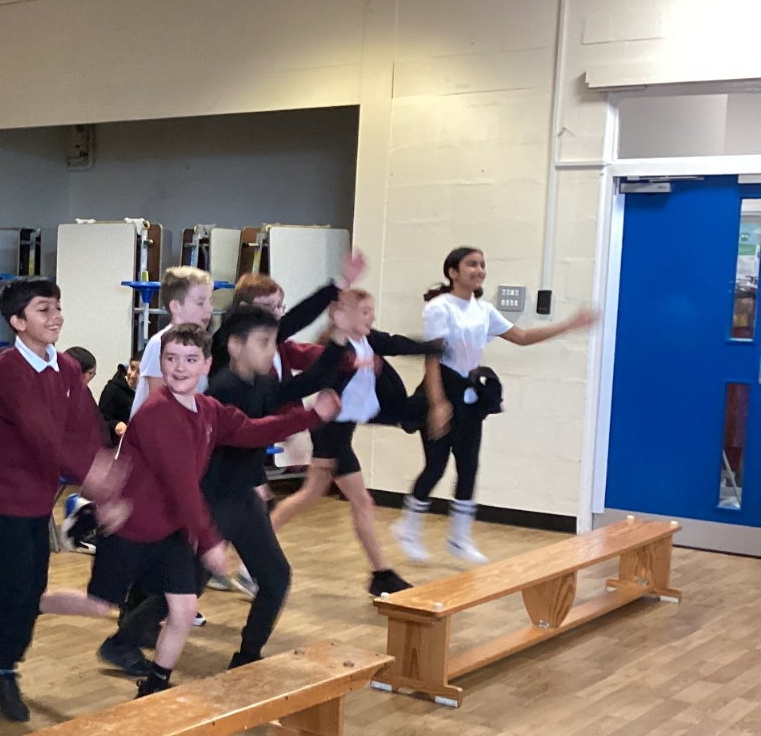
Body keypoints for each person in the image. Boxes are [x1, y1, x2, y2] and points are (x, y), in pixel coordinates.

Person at [41, 325, 337, 695]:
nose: (180, 367)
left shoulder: (207, 409)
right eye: (171, 359)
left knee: (183, 610)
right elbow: (182, 486)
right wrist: (210, 541)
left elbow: (253, 430)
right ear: (161, 363)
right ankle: (29, 602)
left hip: (168, 534)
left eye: (190, 359)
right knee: (97, 606)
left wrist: (312, 416)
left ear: (206, 365)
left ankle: (154, 685)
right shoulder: (157, 414)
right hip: (130, 530)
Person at [0, 276, 119, 722]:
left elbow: (84, 426)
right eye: (44, 309)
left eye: (57, 307)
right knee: (17, 586)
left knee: (27, 586)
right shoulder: (8, 368)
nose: (56, 316)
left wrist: (102, 466)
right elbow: (42, 434)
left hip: (40, 494)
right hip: (5, 493)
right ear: (18, 322)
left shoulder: (67, 367)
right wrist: (92, 477)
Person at [393, 247, 597, 564]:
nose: (479, 270)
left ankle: (459, 538)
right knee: (436, 466)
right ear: (453, 272)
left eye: (482, 265)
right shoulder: (439, 308)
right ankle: (408, 528)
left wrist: (568, 325)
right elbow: (432, 358)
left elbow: (523, 337)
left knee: (469, 466)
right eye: (471, 264)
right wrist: (438, 403)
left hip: (470, 393)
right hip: (441, 389)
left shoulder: (484, 310)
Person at [268, 289, 450, 596]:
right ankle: (381, 573)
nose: (372, 317)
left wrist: (432, 346)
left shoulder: (369, 340)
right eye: (365, 312)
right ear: (345, 316)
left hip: (343, 431)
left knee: (313, 496)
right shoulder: (335, 348)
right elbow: (325, 377)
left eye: (371, 311)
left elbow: (397, 344)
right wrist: (357, 364)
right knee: (355, 501)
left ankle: (380, 573)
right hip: (331, 431)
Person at [215, 251, 367, 596]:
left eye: (278, 307)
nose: (275, 315)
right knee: (230, 515)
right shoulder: (230, 344)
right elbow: (295, 321)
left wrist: (341, 343)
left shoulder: (267, 356)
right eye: (267, 307)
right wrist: (338, 285)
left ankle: (227, 571)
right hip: (222, 452)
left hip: (245, 450)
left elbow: (304, 380)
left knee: (249, 515)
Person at [130, 266, 214, 419]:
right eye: (200, 303)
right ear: (175, 306)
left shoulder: (200, 343)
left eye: (210, 301)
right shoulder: (160, 344)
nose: (209, 309)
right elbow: (159, 403)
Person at [97, 353, 140, 443]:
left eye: (140, 372)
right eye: (132, 368)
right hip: (117, 444)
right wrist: (115, 424)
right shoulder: (113, 389)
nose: (133, 375)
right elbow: (100, 420)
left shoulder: (154, 390)